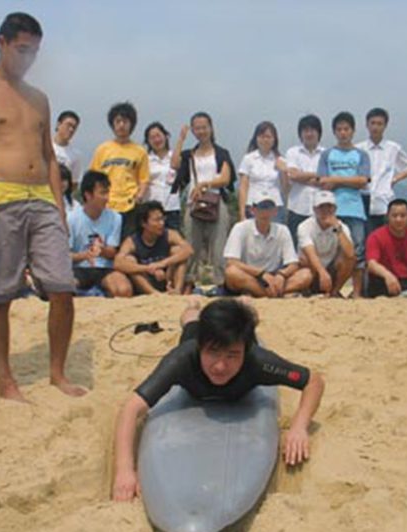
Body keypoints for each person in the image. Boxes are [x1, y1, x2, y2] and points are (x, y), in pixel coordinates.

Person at [0, 12, 86, 401]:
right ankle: (6, 380)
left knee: (62, 287)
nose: (28, 58)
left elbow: (49, 157)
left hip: (43, 198)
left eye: (34, 51)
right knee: (0, 292)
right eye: (22, 49)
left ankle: (57, 372)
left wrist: (60, 210)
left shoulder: (38, 98)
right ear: (2, 43)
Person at [112, 298, 325, 501]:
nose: (220, 366)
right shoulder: (181, 360)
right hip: (195, 336)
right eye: (213, 353)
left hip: (235, 342)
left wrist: (299, 427)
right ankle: (193, 304)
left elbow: (313, 382)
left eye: (232, 356)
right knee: (191, 322)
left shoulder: (258, 362)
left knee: (245, 320)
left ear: (245, 350)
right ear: (200, 347)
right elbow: (131, 409)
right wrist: (124, 470)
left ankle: (245, 306)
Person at [171, 112, 236, 288]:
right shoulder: (190, 154)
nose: (201, 131)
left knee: (219, 245)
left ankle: (220, 283)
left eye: (204, 127)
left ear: (211, 128)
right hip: (194, 203)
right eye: (197, 128)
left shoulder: (221, 153)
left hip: (216, 202)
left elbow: (225, 178)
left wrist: (205, 185)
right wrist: (181, 139)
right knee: (191, 245)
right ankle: (188, 282)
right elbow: (174, 164)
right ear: (193, 130)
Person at [316, 112, 371, 297]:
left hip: (355, 209)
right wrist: (350, 180)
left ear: (353, 131)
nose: (343, 133)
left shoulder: (361, 155)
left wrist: (336, 179)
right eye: (339, 129)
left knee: (357, 251)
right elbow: (323, 182)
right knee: (333, 251)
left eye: (346, 129)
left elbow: (363, 181)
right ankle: (334, 290)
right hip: (332, 209)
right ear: (334, 132)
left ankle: (356, 292)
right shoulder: (327, 155)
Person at [223, 195, 312, 298]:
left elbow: (293, 263)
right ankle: (276, 293)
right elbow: (231, 261)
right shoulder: (240, 228)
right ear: (253, 210)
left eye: (269, 208)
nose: (265, 212)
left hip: (274, 276)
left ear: (275, 211)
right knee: (231, 273)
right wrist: (260, 273)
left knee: (306, 275)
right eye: (261, 207)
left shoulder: (282, 230)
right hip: (249, 274)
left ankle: (261, 292)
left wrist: (282, 275)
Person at [88, 101, 150, 238]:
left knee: (128, 244)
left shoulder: (140, 151)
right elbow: (92, 177)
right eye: (118, 121)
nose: (121, 125)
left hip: (130, 206)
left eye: (125, 121)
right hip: (106, 205)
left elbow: (144, 179)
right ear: (113, 124)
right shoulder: (102, 149)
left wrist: (139, 197)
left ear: (131, 124)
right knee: (105, 242)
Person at [68, 170, 131, 297]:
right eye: (102, 193)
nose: (106, 198)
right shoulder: (71, 218)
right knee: (64, 289)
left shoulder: (115, 217)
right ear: (88, 195)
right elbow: (65, 254)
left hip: (104, 268)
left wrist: (101, 250)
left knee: (123, 290)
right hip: (79, 268)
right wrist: (84, 255)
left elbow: (112, 251)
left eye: (107, 192)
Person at [356, 107, 407, 236]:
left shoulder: (393, 148)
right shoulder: (358, 149)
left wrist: (394, 179)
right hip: (362, 199)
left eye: (379, 124)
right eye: (373, 123)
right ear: (367, 125)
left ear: (385, 126)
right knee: (364, 238)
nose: (375, 127)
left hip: (384, 200)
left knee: (385, 237)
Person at [115, 201, 193, 295]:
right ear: (144, 223)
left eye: (162, 219)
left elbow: (188, 250)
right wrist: (148, 268)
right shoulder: (132, 241)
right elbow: (118, 263)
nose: (162, 223)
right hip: (145, 280)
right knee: (129, 259)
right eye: (157, 220)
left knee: (177, 250)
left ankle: (177, 290)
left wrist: (161, 264)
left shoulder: (169, 234)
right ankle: (154, 293)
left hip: (167, 276)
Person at [297, 190, 355, 297]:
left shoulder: (342, 227)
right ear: (314, 209)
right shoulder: (304, 226)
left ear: (335, 209)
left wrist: (337, 228)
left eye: (329, 207)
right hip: (312, 268)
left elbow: (350, 253)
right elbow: (310, 254)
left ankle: (335, 292)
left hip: (331, 267)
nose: (325, 210)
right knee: (304, 260)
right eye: (321, 207)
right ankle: (306, 290)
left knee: (348, 259)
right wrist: (322, 272)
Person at [282, 114, 324, 247]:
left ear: (319, 133)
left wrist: (302, 177)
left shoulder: (326, 154)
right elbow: (293, 175)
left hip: (320, 208)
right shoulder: (293, 152)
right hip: (297, 208)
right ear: (300, 134)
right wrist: (317, 175)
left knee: (319, 247)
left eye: (312, 130)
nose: (309, 134)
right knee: (294, 247)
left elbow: (327, 180)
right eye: (305, 130)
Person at [238, 121, 287, 222]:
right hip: (253, 206)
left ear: (274, 139)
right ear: (256, 138)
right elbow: (243, 187)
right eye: (261, 136)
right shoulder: (248, 159)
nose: (265, 140)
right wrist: (242, 213)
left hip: (275, 207)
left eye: (268, 137)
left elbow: (286, 189)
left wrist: (284, 171)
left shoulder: (280, 160)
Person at [143, 121, 181, 231]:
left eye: (158, 135)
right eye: (152, 138)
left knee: (173, 239)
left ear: (166, 136)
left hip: (172, 207)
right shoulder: (145, 160)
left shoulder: (175, 157)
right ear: (148, 142)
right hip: (152, 208)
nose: (156, 140)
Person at [52, 109, 82, 185]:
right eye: (68, 125)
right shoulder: (44, 146)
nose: (71, 129)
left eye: (74, 127)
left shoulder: (75, 155)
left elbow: (74, 182)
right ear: (58, 124)